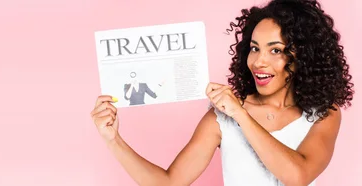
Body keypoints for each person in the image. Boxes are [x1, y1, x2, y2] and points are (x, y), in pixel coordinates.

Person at [90, 0, 354, 185]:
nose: (259, 61)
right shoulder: (221, 119)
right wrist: (113, 139)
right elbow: (169, 183)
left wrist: (241, 115)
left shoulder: (323, 114)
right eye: (254, 48)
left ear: (304, 56)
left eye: (275, 50)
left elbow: (298, 176)